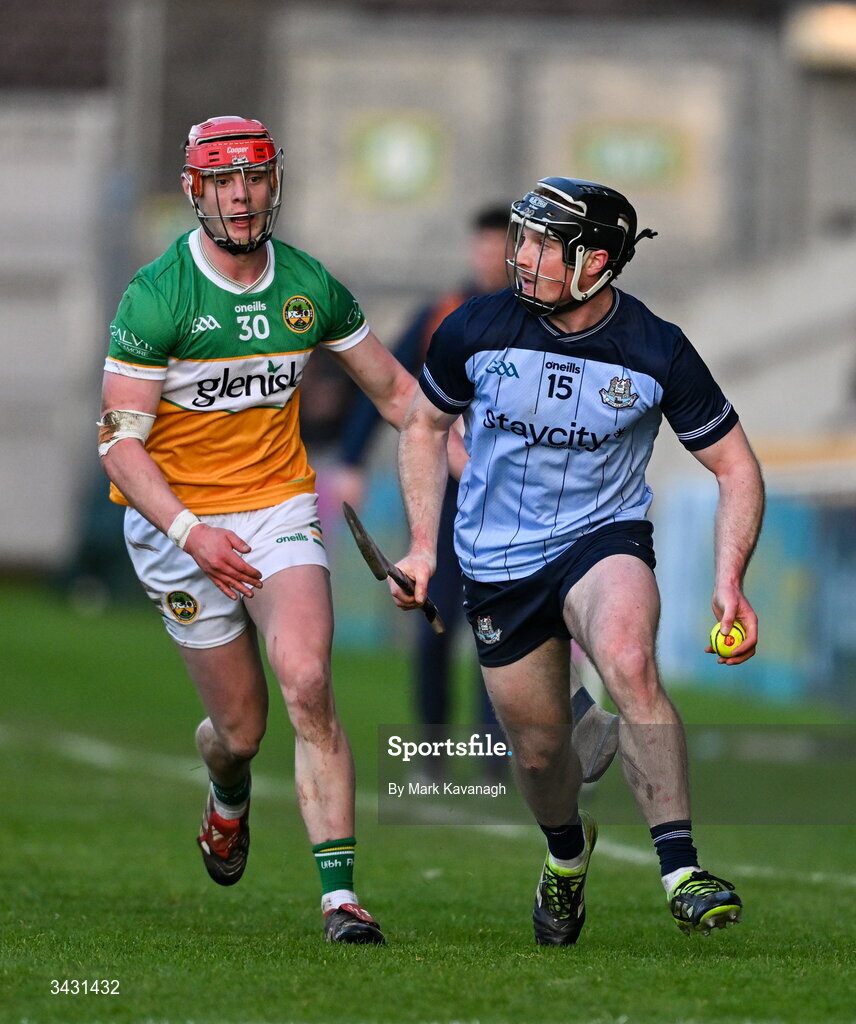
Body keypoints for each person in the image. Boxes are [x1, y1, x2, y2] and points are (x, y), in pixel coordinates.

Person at [97, 115, 467, 945]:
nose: (240, 196)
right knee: (241, 732)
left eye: (254, 177)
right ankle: (227, 793)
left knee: (307, 680)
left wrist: (438, 490)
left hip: (277, 507)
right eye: (223, 181)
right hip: (175, 528)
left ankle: (341, 899)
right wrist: (193, 534)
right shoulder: (157, 296)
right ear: (196, 190)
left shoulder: (308, 285)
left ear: (274, 183)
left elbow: (404, 401)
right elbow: (119, 445)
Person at [391, 177, 765, 944]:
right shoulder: (475, 328)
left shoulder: (657, 348)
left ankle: (681, 869)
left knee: (629, 661)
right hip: (497, 561)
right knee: (539, 754)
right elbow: (423, 428)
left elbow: (737, 466)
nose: (518, 257)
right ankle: (566, 858)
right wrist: (425, 546)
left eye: (539, 245)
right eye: (519, 239)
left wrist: (732, 581)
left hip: (605, 537)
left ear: (595, 262)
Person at [338, 206, 618, 780]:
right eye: (487, 247)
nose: (496, 258)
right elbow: (392, 384)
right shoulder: (445, 313)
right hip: (449, 499)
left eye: (505, 247)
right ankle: (434, 752)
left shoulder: (546, 318)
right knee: (436, 622)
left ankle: (502, 755)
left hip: (520, 503)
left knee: (511, 627)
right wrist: (350, 460)